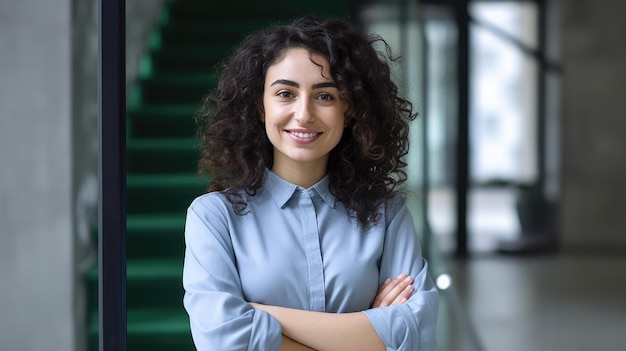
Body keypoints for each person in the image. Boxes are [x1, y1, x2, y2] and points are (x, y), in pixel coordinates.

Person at [183, 16, 439, 351]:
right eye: (286, 93)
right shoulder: (214, 217)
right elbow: (223, 340)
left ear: (350, 110)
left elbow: (416, 337)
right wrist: (369, 335)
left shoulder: (388, 215)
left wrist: (262, 318)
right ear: (260, 106)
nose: (304, 114)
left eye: (326, 96)